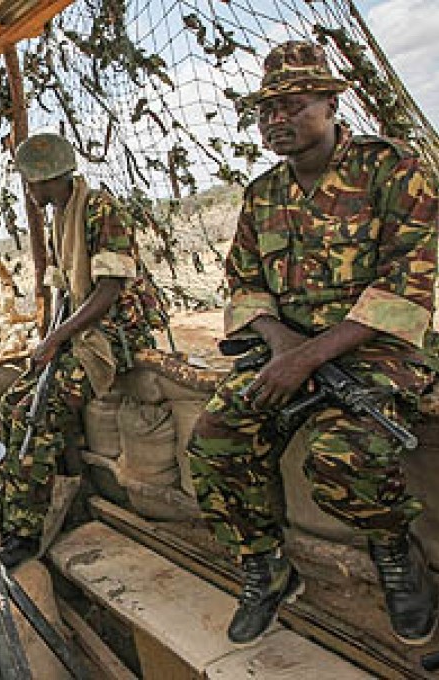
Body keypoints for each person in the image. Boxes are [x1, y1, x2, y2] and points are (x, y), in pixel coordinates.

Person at [186, 41, 439, 647]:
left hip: (381, 348)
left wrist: (310, 356)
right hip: (287, 352)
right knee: (217, 437)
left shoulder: (392, 169)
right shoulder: (262, 194)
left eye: (293, 105)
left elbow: (409, 283)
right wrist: (283, 347)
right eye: (266, 112)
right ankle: (267, 570)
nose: (276, 120)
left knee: (343, 454)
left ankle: (396, 556)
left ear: (330, 103)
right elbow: (245, 283)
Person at [0, 133, 160, 568]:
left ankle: (26, 533)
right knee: (13, 402)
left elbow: (108, 289)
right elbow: (62, 290)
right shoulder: (59, 216)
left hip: (116, 334)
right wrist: (47, 339)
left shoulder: (100, 210)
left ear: (48, 177)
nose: (28, 189)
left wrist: (56, 339)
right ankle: (7, 513)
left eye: (30, 180)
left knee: (40, 413)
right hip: (80, 332)